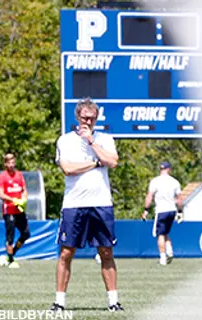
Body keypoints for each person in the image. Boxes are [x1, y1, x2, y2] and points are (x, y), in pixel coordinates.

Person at [51, 98, 123, 312]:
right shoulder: (65, 140)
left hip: (101, 203)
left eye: (92, 118)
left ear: (97, 118)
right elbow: (68, 168)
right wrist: (95, 163)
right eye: (84, 117)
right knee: (66, 252)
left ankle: (113, 301)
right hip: (74, 203)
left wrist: (92, 142)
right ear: (77, 117)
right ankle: (59, 302)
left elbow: (113, 161)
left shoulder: (105, 139)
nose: (88, 121)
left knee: (106, 252)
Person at [142, 161, 183, 266]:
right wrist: (180, 211)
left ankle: (163, 257)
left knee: (160, 234)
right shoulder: (175, 182)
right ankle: (169, 251)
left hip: (161, 210)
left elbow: (149, 196)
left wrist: (146, 210)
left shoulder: (155, 181)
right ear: (169, 169)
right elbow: (179, 199)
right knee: (165, 232)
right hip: (172, 210)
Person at [0, 153, 29, 269]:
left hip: (19, 210)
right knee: (10, 236)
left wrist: (23, 199)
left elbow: (24, 190)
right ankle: (11, 260)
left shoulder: (19, 175)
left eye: (13, 162)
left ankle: (12, 254)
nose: (11, 165)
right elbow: (1, 194)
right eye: (9, 163)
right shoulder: (2, 177)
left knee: (26, 234)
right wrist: (13, 200)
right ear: (5, 164)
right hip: (9, 210)